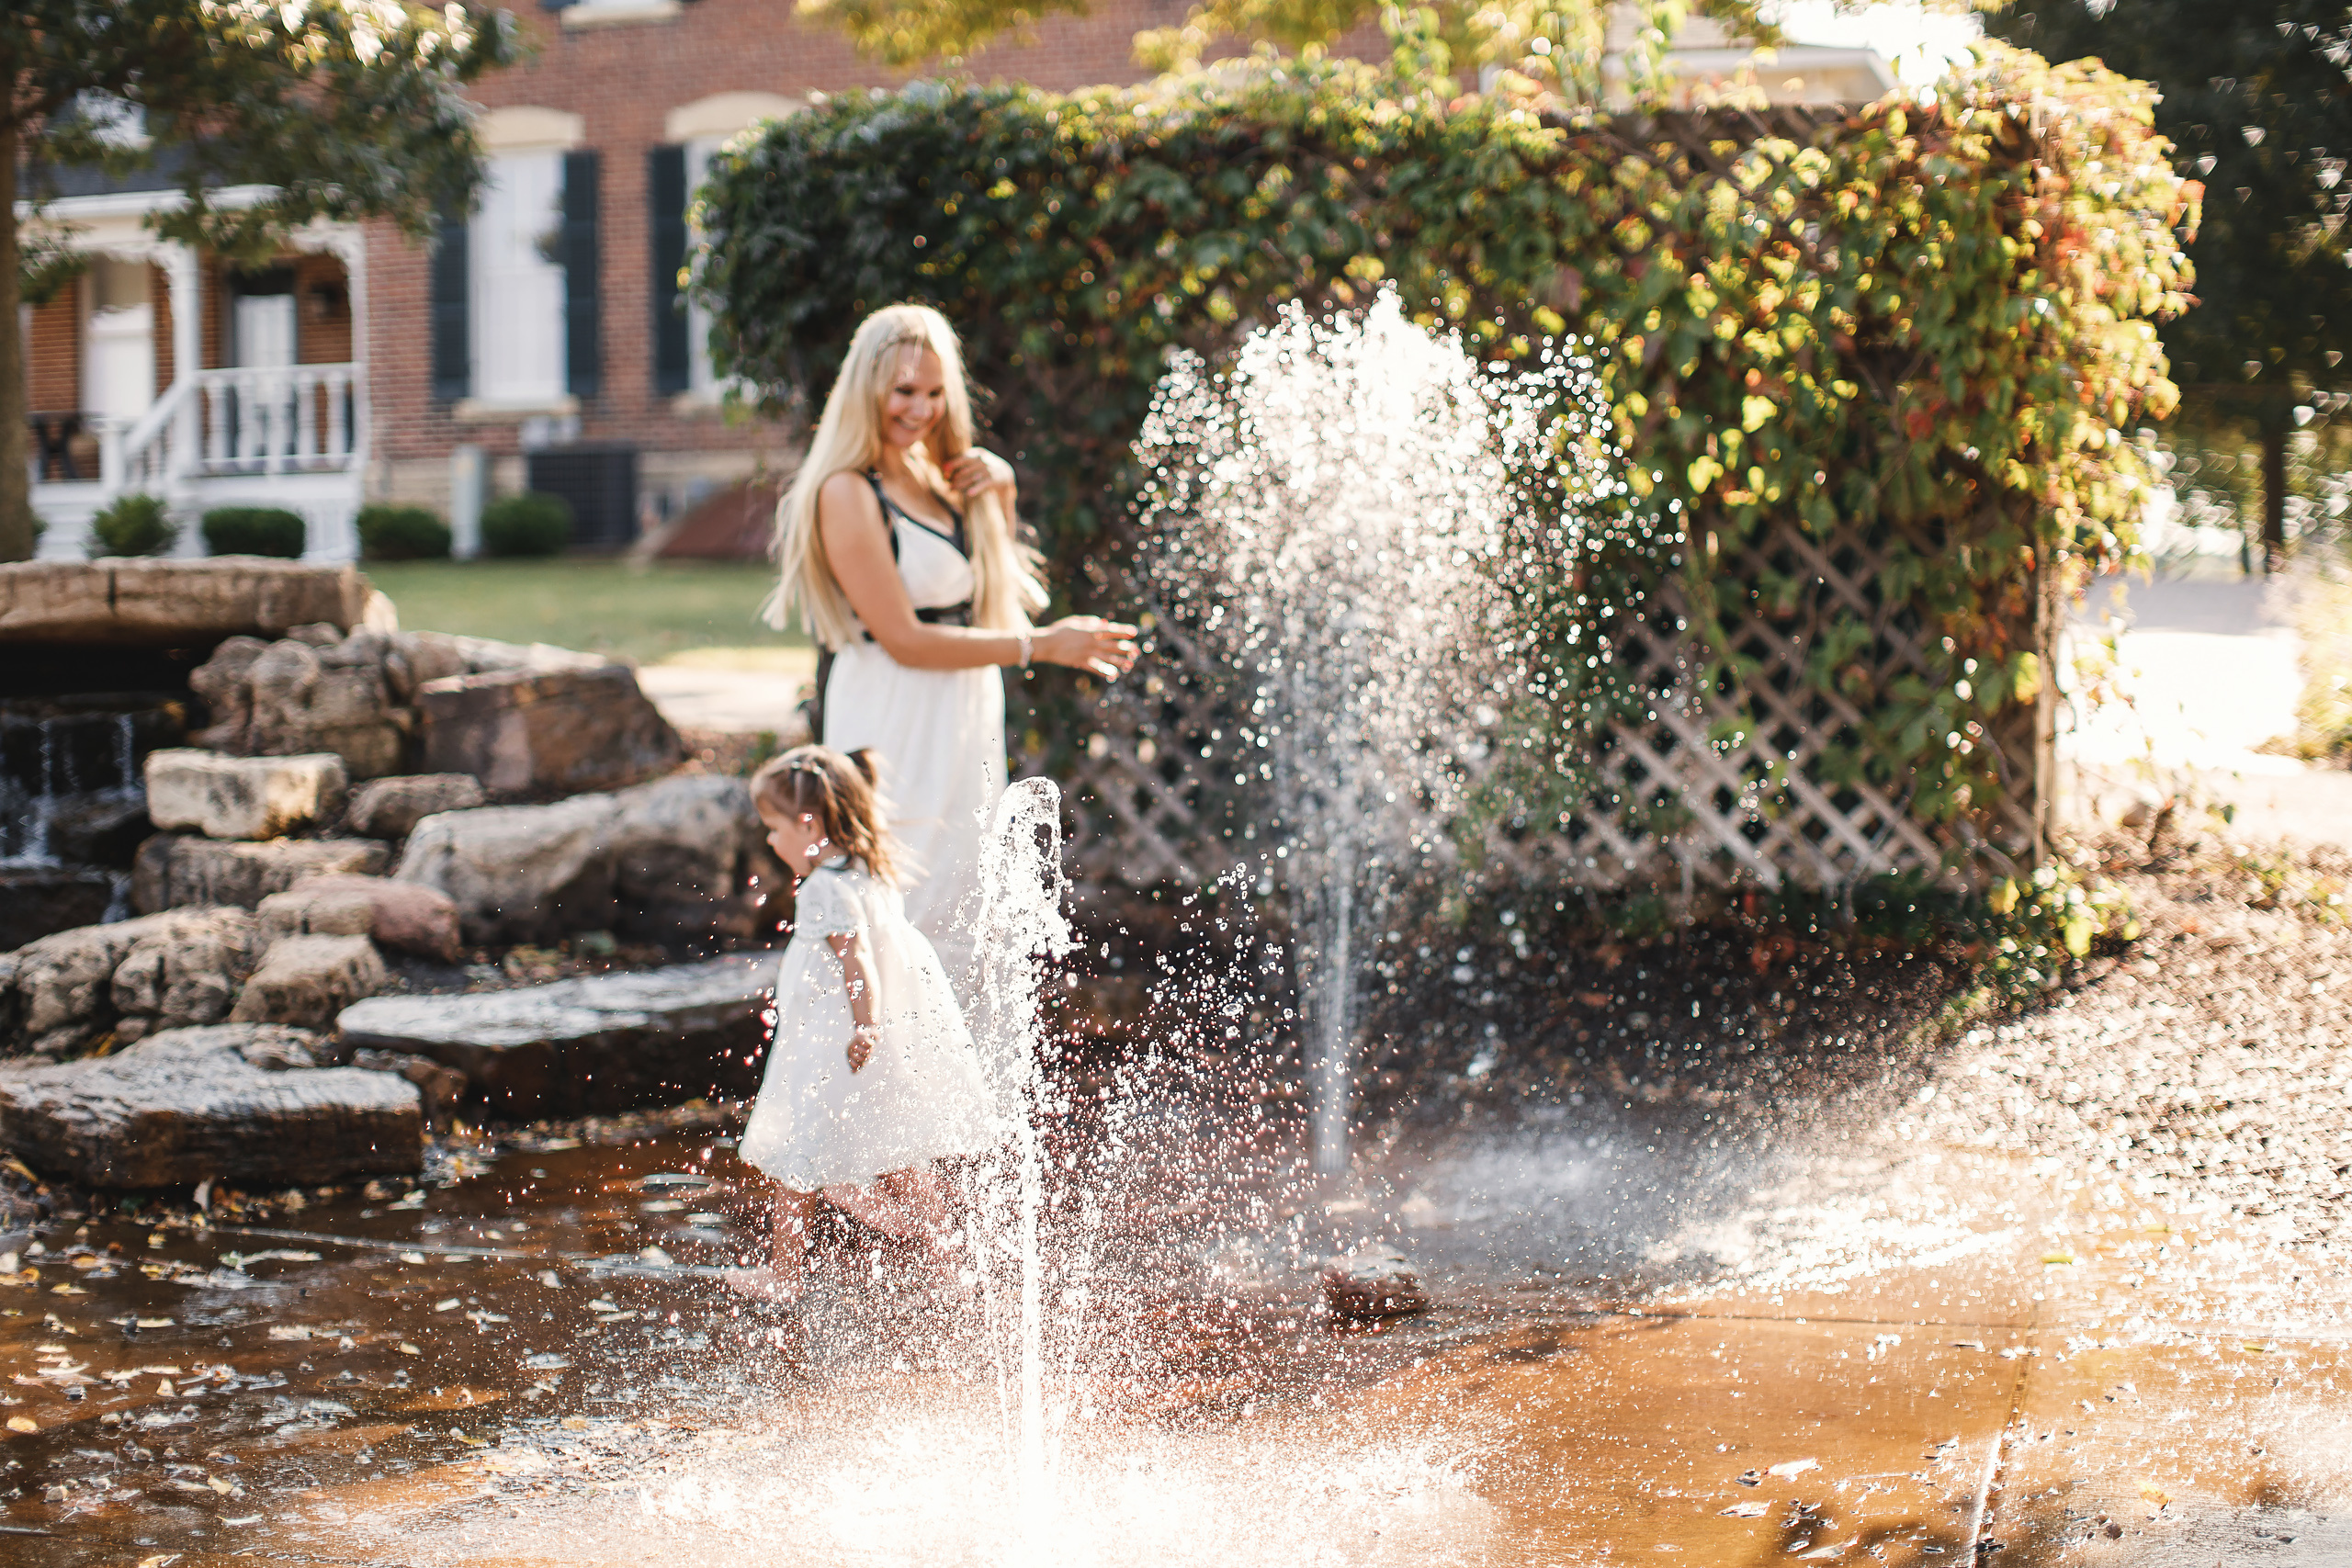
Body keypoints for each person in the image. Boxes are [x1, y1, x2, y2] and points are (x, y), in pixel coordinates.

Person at [767, 304, 1136, 981]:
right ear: (867, 389)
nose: (922, 408)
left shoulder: (943, 480)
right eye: (904, 391)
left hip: (963, 705)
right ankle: (875, 1069)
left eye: (936, 392)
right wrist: (1042, 647)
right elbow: (906, 638)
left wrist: (1003, 492)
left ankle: (953, 1082)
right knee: (896, 894)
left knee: (965, 894)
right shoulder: (848, 491)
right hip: (892, 707)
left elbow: (997, 594)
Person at [728, 745, 993, 1303]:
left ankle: (786, 1273)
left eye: (773, 829)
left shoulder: (824, 886)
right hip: (860, 1040)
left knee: (798, 1154)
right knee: (894, 1148)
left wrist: (865, 1025)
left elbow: (856, 961)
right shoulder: (868, 870)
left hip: (832, 1042)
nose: (771, 842)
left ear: (808, 825)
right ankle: (948, 1256)